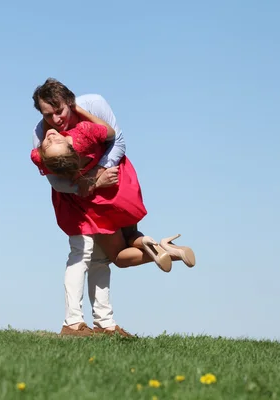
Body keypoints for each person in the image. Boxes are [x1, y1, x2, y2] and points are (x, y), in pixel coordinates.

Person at [31, 78, 195, 337]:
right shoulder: (43, 133)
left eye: (59, 110)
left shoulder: (93, 105)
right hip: (81, 197)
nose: (55, 120)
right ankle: (85, 323)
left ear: (70, 102)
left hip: (110, 187)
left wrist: (98, 174)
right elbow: (55, 180)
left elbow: (117, 140)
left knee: (98, 257)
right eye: (47, 114)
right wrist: (92, 183)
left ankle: (95, 324)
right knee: (92, 255)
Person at [31, 104, 194, 272]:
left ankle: (167, 250)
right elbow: (111, 134)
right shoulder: (84, 133)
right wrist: (75, 109)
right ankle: (154, 244)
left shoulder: (48, 158)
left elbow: (41, 160)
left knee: (118, 257)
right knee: (130, 236)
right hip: (120, 191)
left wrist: (47, 123)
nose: (51, 137)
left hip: (97, 206)